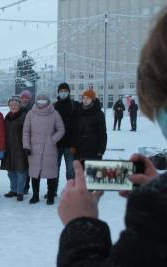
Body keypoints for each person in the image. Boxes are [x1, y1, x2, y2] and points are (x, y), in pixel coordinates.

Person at [57, 9, 167, 266]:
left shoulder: (157, 211)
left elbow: (103, 132)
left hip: (93, 149)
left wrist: (80, 225)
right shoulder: (77, 110)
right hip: (79, 149)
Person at [23, 91, 65, 205]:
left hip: (49, 148)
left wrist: (52, 140)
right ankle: (35, 195)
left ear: (48, 101)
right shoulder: (31, 114)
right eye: (39, 99)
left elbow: (61, 129)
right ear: (36, 101)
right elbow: (26, 131)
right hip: (34, 147)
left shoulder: (54, 113)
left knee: (50, 173)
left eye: (44, 99)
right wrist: (26, 145)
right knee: (34, 173)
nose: (41, 102)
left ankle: (50, 195)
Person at [53, 82, 79, 197]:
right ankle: (52, 191)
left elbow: (78, 125)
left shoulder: (74, 105)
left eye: (65, 91)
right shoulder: (54, 106)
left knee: (70, 170)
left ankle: (71, 191)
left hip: (70, 144)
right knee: (54, 169)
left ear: (69, 92)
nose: (63, 93)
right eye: (61, 91)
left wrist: (75, 143)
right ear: (58, 92)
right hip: (56, 144)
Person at [1, 97, 28, 201]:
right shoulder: (7, 117)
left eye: (15, 104)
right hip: (9, 148)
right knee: (10, 170)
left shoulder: (24, 116)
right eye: (11, 104)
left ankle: (20, 192)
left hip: (21, 148)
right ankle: (13, 189)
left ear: (19, 105)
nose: (13, 106)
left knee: (20, 170)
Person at [72, 89, 107, 160]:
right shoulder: (79, 111)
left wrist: (101, 149)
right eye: (83, 98)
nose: (85, 100)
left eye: (87, 98)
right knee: (79, 170)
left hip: (93, 151)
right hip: (79, 150)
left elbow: (102, 133)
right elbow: (75, 130)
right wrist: (73, 145)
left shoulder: (99, 114)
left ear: (93, 99)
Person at [20, 90, 34, 194]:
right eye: (23, 97)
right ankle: (20, 185)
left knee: (29, 165)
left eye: (26, 97)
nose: (24, 99)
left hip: (30, 141)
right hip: (18, 141)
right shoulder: (17, 109)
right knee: (21, 165)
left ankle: (26, 186)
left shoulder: (34, 110)